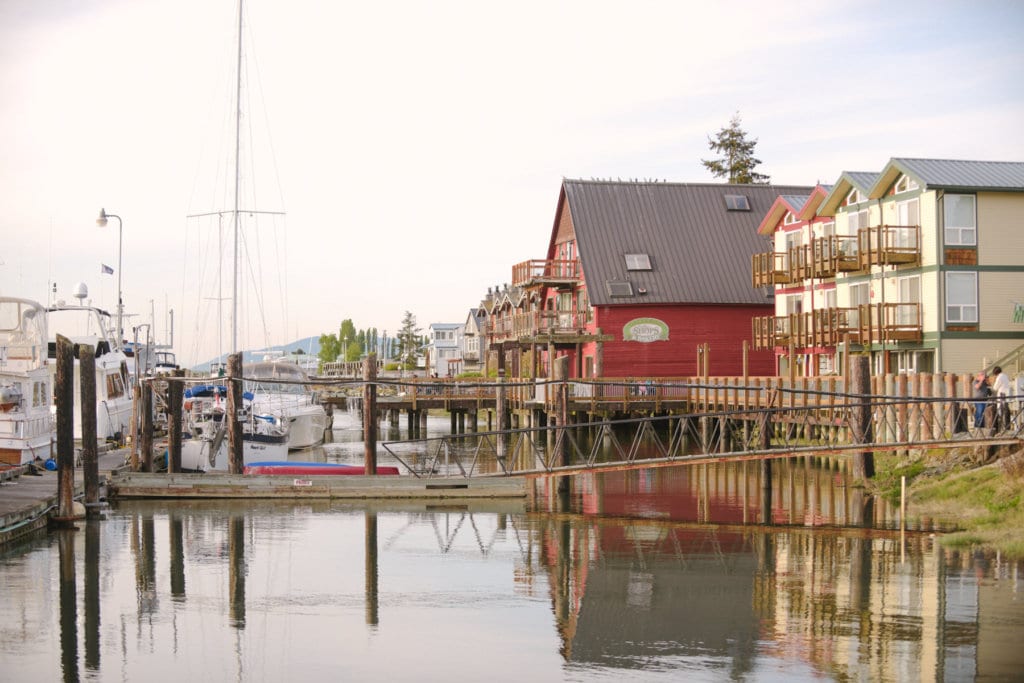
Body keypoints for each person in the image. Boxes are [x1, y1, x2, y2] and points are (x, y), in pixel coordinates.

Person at [991, 366, 1011, 430]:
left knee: (1001, 412)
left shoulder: (999, 377)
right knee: (1006, 411)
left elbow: (995, 388)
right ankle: (1007, 427)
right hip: (1007, 396)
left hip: (1002, 396)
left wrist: (994, 380)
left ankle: (1001, 428)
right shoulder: (1005, 376)